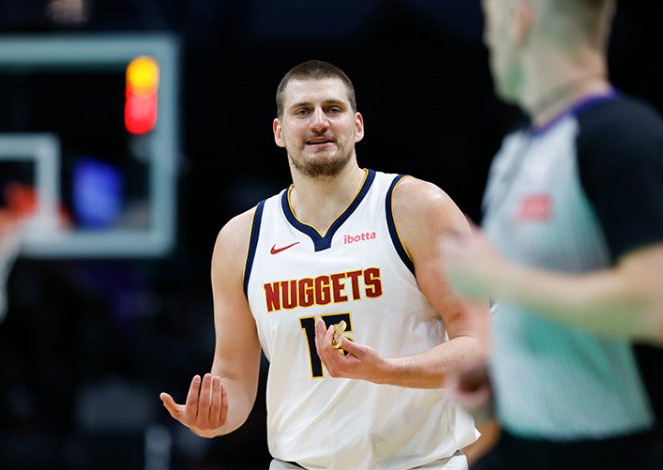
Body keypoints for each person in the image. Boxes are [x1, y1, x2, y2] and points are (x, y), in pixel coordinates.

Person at [159, 60, 489, 469]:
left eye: (333, 109)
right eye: (302, 111)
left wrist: (386, 371)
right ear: (279, 132)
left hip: (420, 463)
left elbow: (479, 348)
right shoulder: (240, 239)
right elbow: (234, 377)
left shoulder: (418, 209)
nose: (319, 122)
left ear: (358, 125)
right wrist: (214, 419)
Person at [438, 0, 663, 468]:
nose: (486, 39)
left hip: (613, 454)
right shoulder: (516, 149)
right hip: (522, 446)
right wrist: (505, 383)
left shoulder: (625, 138)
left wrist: (499, 279)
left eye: (490, 21)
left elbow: (652, 304)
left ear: (519, 21)